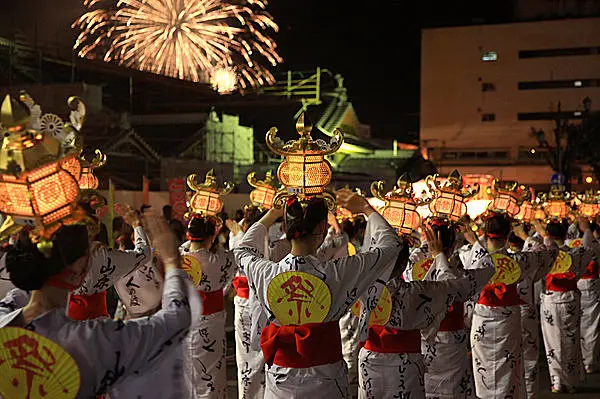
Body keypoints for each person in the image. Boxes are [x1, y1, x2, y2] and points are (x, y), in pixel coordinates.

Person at [0, 214, 198, 398]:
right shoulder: (94, 339)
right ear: (79, 267)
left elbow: (25, 292)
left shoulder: (5, 316)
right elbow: (176, 319)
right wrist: (172, 261)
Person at [233, 190, 401, 398]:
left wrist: (272, 214)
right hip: (326, 378)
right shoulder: (338, 272)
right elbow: (392, 245)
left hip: (280, 379)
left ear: (285, 228)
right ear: (322, 228)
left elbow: (242, 250)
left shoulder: (265, 272)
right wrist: (366, 209)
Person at [359, 225, 494, 399]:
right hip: (440, 347)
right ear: (453, 247)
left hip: (373, 359)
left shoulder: (364, 287)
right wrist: (439, 254)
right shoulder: (426, 288)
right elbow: (471, 276)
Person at [470, 214, 557, 398]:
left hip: (481, 319)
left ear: (485, 233)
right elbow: (548, 253)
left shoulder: (472, 259)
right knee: (510, 369)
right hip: (508, 317)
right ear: (509, 233)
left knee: (484, 371)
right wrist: (534, 235)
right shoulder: (518, 262)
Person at [181, 213, 236, 398]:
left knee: (186, 373)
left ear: (189, 236)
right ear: (212, 237)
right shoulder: (219, 261)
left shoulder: (177, 257)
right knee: (211, 374)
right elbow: (237, 256)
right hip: (210, 323)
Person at [539, 218, 594, 393]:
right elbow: (588, 247)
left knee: (553, 341)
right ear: (565, 235)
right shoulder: (576, 253)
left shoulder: (546, 253)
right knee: (571, 339)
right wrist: (586, 230)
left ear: (548, 235)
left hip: (551, 298)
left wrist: (542, 233)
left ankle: (557, 381)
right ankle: (570, 382)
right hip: (570, 298)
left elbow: (544, 243)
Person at [228, 206, 267, 399]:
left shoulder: (240, 238)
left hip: (248, 302)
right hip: (256, 302)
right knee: (254, 356)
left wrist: (239, 234)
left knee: (247, 357)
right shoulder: (271, 238)